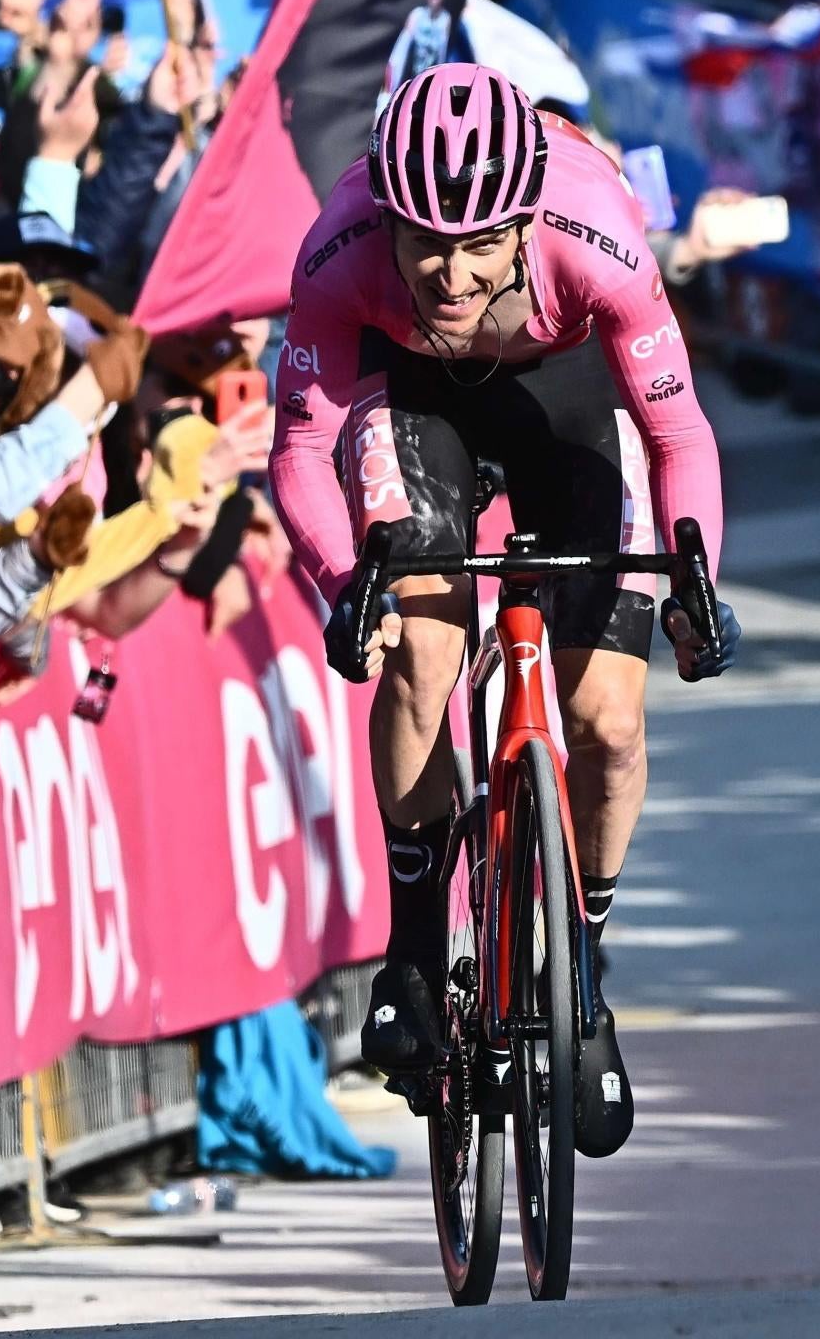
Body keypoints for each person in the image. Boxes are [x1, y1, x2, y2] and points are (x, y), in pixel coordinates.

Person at [273, 65, 742, 1161]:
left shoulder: (599, 233)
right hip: (418, 400)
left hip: (567, 395)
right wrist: (347, 581)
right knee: (421, 653)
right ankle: (412, 951)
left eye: (481, 242)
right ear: (384, 215)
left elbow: (676, 437)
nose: (451, 270)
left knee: (610, 721)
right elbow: (299, 448)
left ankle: (583, 967)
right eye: (425, 241)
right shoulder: (340, 252)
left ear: (527, 216)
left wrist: (695, 584)